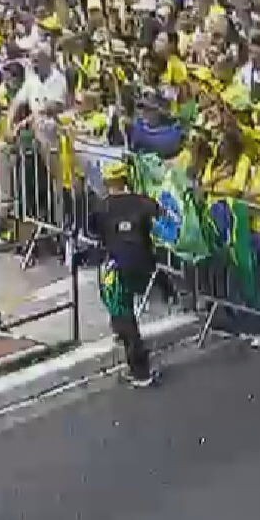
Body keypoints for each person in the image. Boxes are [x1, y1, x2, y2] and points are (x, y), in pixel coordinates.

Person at [92, 161, 162, 387]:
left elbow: (93, 231)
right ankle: (122, 333)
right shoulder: (144, 202)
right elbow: (162, 219)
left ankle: (140, 371)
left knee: (122, 310)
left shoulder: (102, 207)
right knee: (121, 307)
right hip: (145, 266)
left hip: (120, 268)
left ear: (107, 182)